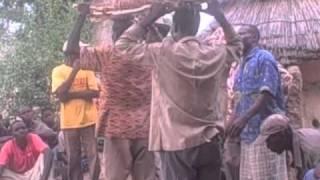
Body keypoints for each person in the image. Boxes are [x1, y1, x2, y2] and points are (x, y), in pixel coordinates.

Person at [116, 0, 242, 179]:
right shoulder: (214, 54)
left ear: (174, 27)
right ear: (196, 26)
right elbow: (237, 45)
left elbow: (122, 46)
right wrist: (219, 16)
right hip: (210, 141)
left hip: (176, 143)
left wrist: (152, 17)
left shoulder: (163, 54)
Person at [64, 3, 170, 180]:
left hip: (115, 130)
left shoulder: (107, 54)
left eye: (116, 29)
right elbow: (163, 38)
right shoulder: (150, 54)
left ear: (116, 35)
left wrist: (81, 16)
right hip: (145, 129)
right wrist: (149, 19)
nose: (113, 33)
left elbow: (70, 52)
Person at [225, 24, 288, 180]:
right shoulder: (241, 65)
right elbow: (239, 99)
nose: (238, 37)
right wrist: (229, 127)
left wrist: (244, 118)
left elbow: (267, 93)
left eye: (243, 34)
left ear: (254, 37)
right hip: (247, 135)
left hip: (266, 135)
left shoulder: (264, 58)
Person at [51, 25, 101, 180]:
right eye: (80, 51)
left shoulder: (88, 69)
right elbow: (60, 95)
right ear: (72, 53)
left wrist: (68, 93)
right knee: (73, 157)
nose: (82, 53)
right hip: (69, 122)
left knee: (94, 156)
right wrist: (74, 71)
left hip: (89, 120)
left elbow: (94, 92)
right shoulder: (58, 71)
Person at [256, 114, 320, 179]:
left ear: (282, 134)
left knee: (310, 176)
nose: (268, 146)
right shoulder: (296, 141)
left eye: (269, 140)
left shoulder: (309, 149)